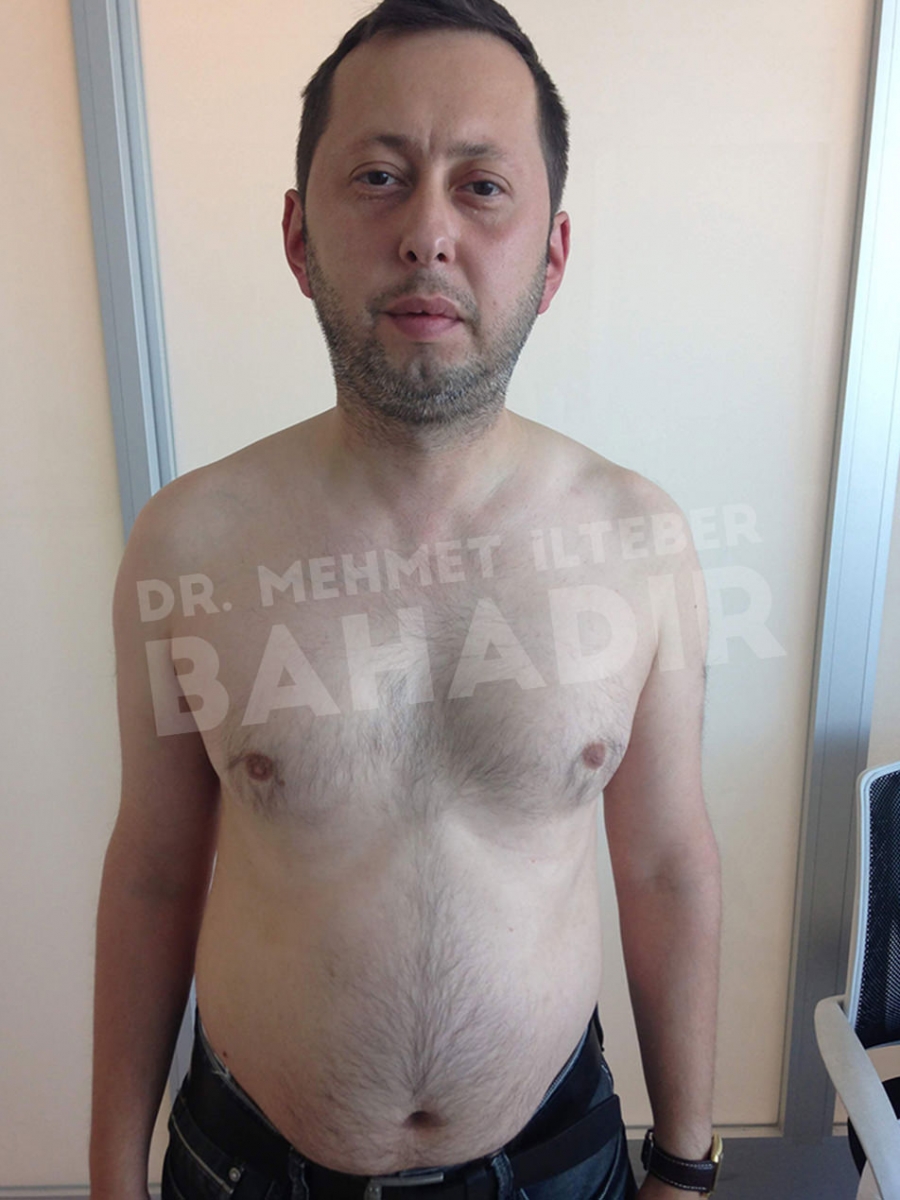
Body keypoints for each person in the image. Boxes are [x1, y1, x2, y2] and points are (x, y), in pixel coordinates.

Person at [89, 1, 722, 1198]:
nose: (428, 234)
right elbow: (155, 871)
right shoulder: (189, 542)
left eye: (482, 187)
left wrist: (687, 1166)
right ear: (298, 235)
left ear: (552, 254)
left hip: (555, 1162)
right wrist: (110, 1175)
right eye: (379, 177)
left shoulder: (639, 540)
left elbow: (667, 865)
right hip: (247, 1168)